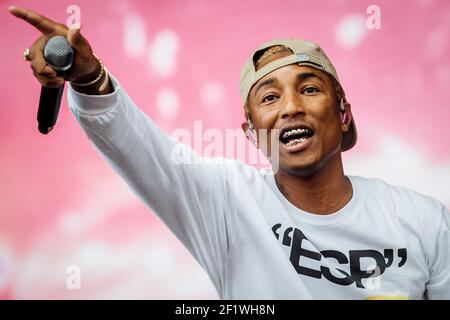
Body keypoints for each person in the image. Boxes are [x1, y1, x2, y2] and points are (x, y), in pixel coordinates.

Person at [10, 6, 450, 300]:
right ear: (252, 133)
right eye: (270, 98)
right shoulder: (228, 201)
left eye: (310, 89)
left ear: (344, 115)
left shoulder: (426, 221)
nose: (291, 106)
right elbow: (140, 149)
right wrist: (87, 76)